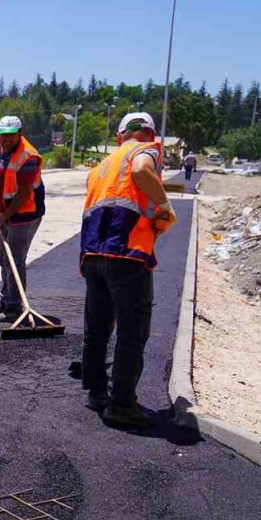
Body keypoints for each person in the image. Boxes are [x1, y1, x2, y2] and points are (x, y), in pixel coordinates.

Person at [80, 112, 177, 428]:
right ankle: (122, 405)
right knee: (131, 331)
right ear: (149, 132)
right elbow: (141, 171)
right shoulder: (144, 151)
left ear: (120, 136)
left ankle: (97, 392)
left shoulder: (103, 166)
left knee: (97, 326)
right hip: (127, 255)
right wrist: (164, 206)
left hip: (94, 254)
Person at [0, 115, 46, 322]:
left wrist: (4, 218)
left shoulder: (28, 158)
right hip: (5, 213)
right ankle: (6, 298)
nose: (6, 139)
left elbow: (24, 194)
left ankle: (15, 307)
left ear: (20, 133)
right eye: (3, 135)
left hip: (24, 215)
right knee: (2, 256)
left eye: (11, 135)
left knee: (14, 260)